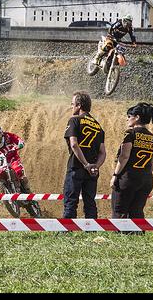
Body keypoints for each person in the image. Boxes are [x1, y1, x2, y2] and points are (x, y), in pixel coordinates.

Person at [110, 102, 153, 233]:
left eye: (129, 116)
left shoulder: (130, 134)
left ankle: (119, 238)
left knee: (119, 211)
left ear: (136, 117)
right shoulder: (152, 138)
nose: (127, 118)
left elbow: (124, 157)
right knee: (137, 212)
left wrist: (115, 175)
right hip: (146, 180)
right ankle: (137, 238)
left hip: (128, 178)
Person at [63, 91, 106, 219]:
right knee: (90, 202)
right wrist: (95, 166)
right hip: (92, 171)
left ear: (79, 105)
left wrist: (85, 164)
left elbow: (74, 144)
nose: (71, 107)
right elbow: (103, 152)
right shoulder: (98, 126)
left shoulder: (74, 120)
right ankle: (91, 229)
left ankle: (67, 230)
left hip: (76, 167)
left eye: (72, 104)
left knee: (71, 201)